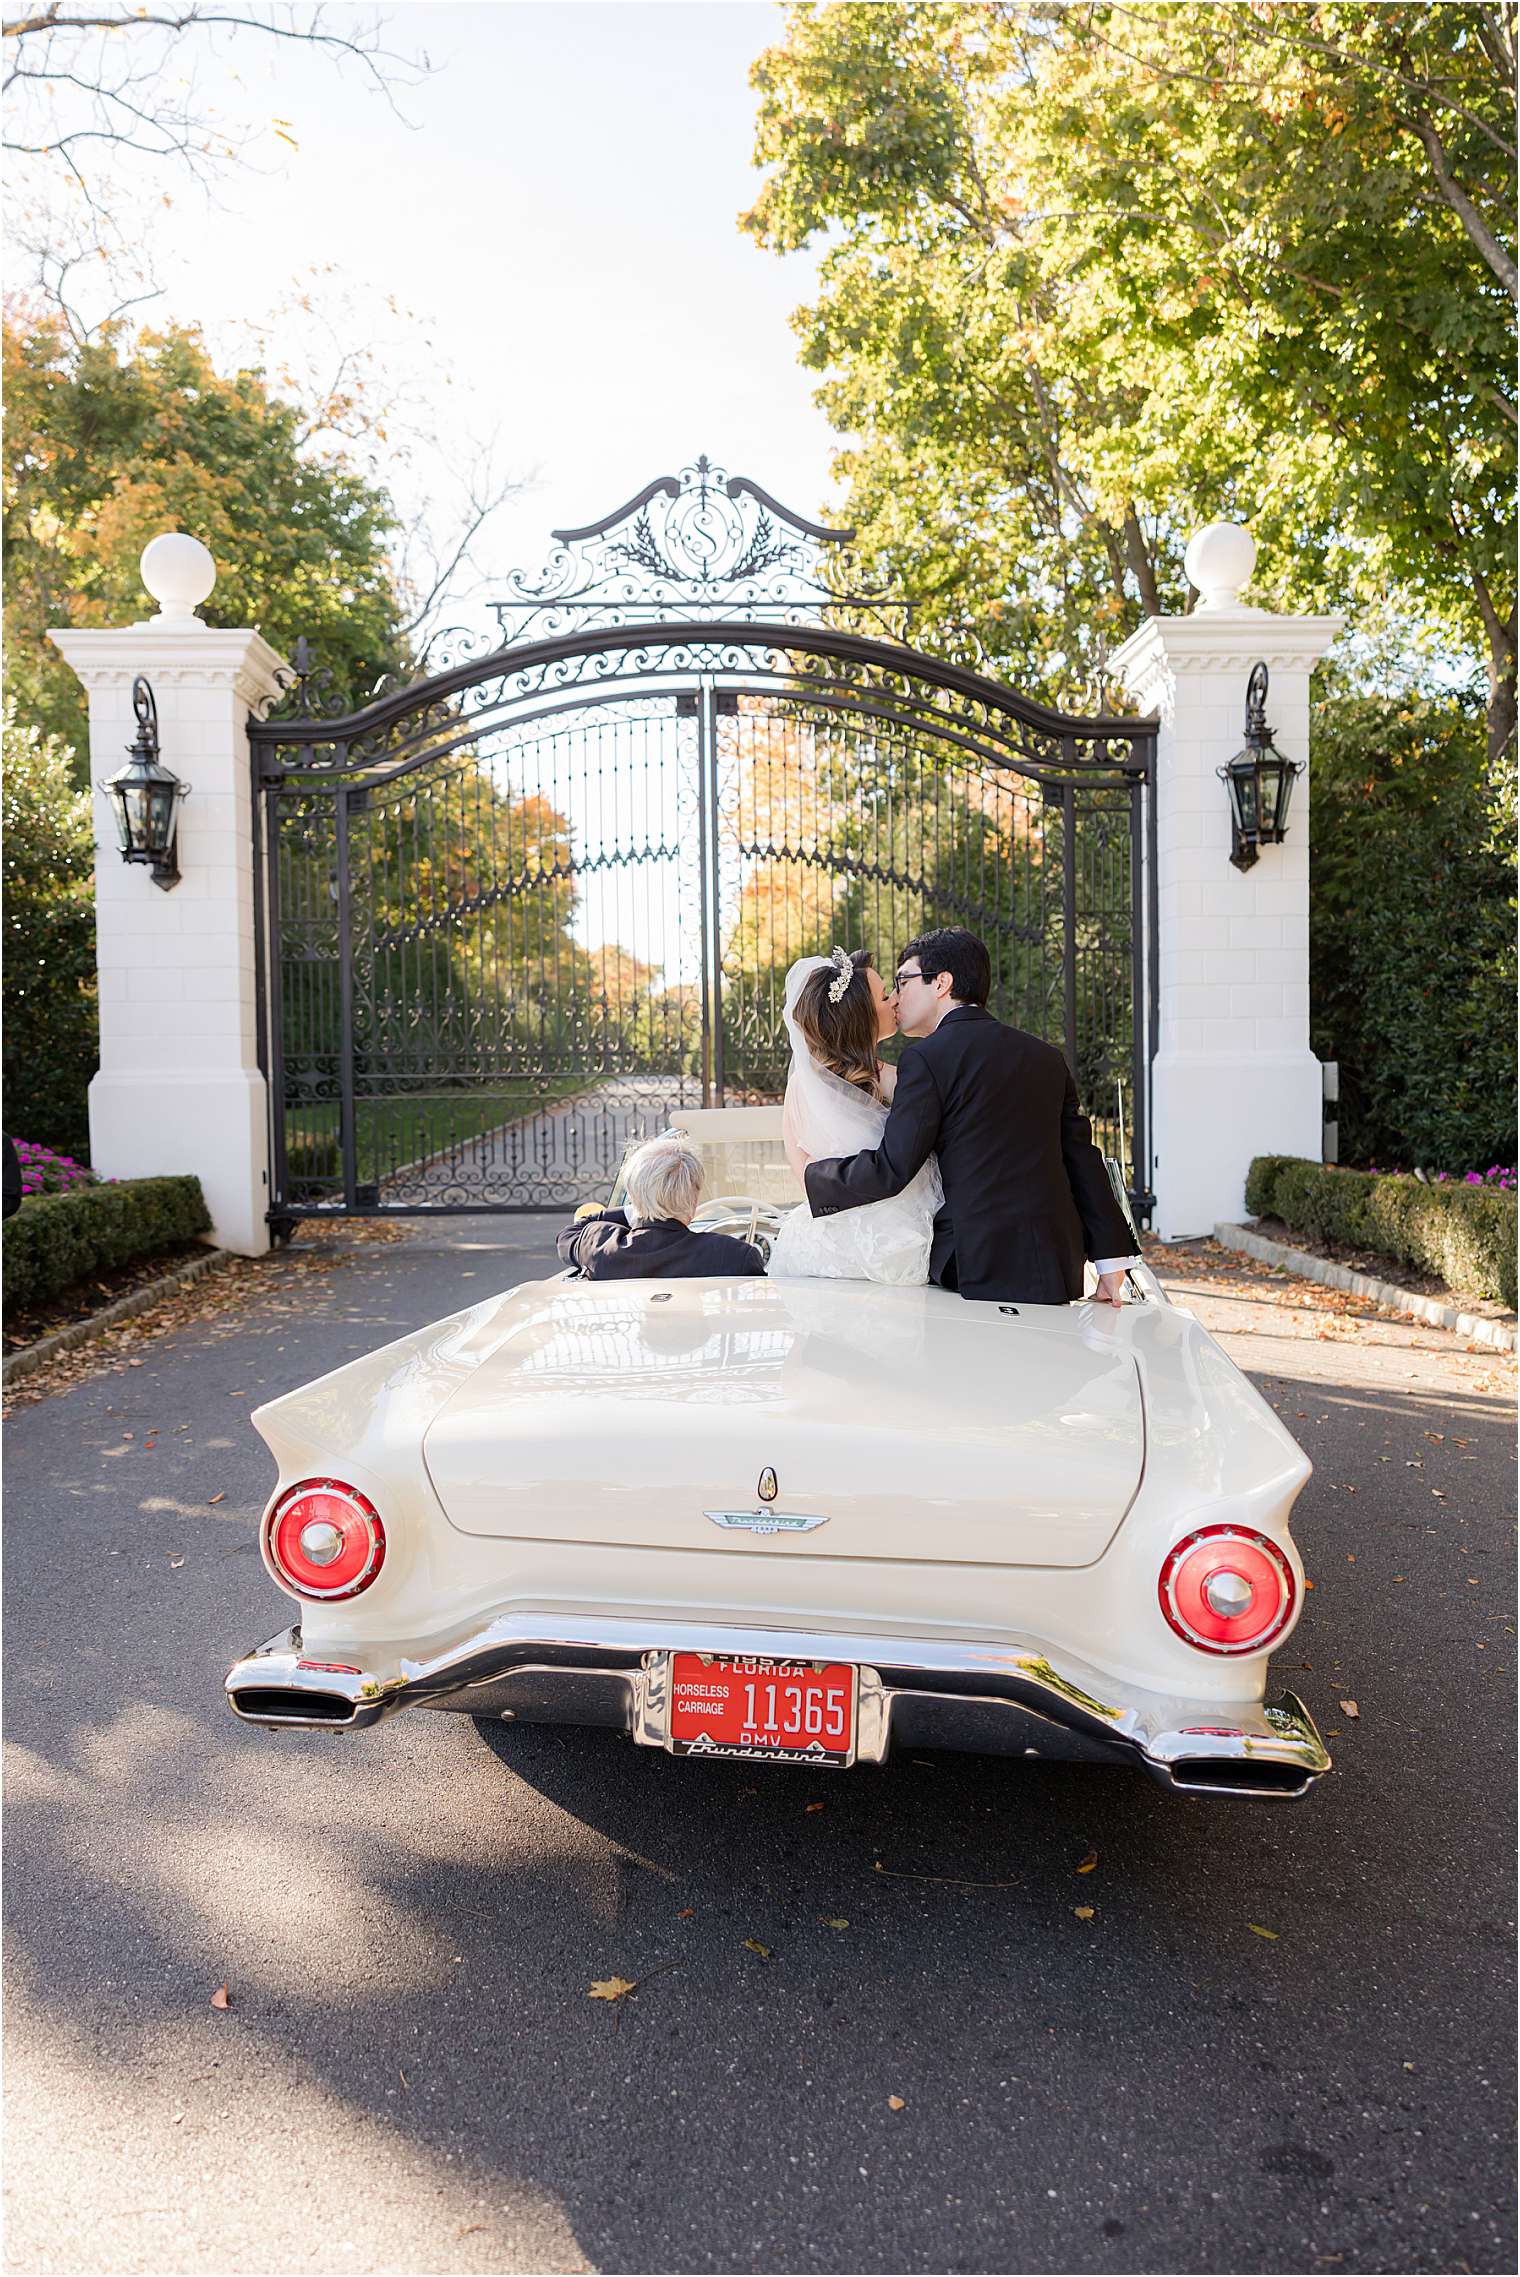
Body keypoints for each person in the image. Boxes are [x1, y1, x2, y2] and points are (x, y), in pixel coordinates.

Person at [800, 928, 1140, 1307]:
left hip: (971, 1262)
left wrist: (815, 1176)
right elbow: (1081, 1159)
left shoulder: (925, 1059)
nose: (896, 997)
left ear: (941, 983)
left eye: (903, 981)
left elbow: (893, 1168)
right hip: (1055, 1263)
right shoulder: (1045, 1056)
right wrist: (1111, 1260)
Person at [767, 947, 942, 1284]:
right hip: (899, 1244)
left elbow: (805, 1175)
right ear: (861, 1015)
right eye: (885, 995)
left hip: (821, 1245)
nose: (895, 999)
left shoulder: (801, 1087)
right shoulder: (899, 1080)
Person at [556, 1136, 767, 1282]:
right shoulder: (735, 1255)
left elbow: (567, 1235)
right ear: (694, 1199)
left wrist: (638, 1207)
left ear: (634, 1194)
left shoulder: (599, 1246)